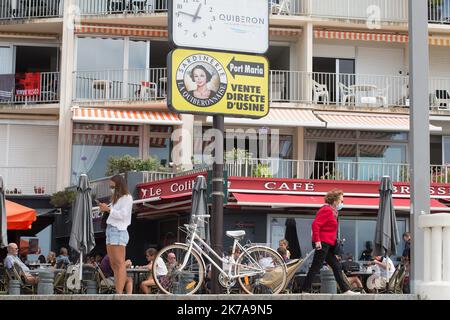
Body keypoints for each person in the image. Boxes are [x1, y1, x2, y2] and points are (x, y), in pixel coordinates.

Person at [300, 189, 359, 295]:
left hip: (327, 244)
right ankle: (305, 290)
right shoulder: (326, 210)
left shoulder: (333, 212)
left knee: (336, 266)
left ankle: (346, 290)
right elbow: (315, 225)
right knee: (316, 266)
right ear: (335, 200)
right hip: (322, 242)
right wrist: (317, 240)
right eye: (341, 200)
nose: (342, 203)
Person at [98, 174, 133, 294]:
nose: (111, 188)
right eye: (110, 186)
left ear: (119, 185)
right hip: (111, 230)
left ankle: (119, 292)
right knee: (114, 264)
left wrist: (108, 210)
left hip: (118, 230)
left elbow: (122, 214)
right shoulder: (115, 199)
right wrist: (106, 209)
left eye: (112, 186)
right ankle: (118, 291)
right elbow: (114, 213)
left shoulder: (127, 198)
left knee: (119, 263)